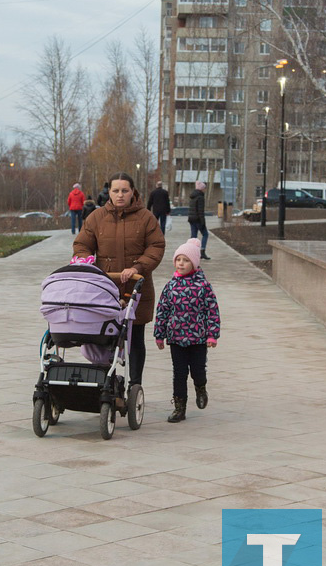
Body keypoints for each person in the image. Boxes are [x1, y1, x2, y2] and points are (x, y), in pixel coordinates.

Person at [73, 172, 165, 387]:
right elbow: (82, 244)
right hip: (105, 288)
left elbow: (156, 246)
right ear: (109, 192)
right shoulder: (96, 218)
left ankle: (135, 384)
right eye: (116, 191)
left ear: (133, 191)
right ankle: (105, 381)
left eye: (125, 190)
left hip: (136, 287)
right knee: (103, 336)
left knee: (135, 338)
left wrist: (137, 267)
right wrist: (87, 264)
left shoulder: (145, 217)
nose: (120, 195)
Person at [154, 238, 220, 423]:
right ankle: (179, 407)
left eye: (185, 260)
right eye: (178, 259)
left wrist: (212, 334)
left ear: (194, 263)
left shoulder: (203, 286)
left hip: (198, 338)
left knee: (197, 370)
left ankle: (200, 387)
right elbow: (162, 310)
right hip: (176, 338)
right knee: (179, 373)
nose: (181, 263)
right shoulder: (171, 286)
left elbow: (212, 311)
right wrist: (159, 334)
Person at [188, 181, 210, 260]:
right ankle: (202, 251)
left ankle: (191, 252)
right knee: (205, 234)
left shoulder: (192, 196)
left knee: (193, 236)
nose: (205, 190)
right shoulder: (200, 197)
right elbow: (200, 211)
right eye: (204, 188)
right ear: (202, 189)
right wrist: (203, 222)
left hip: (191, 219)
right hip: (198, 219)